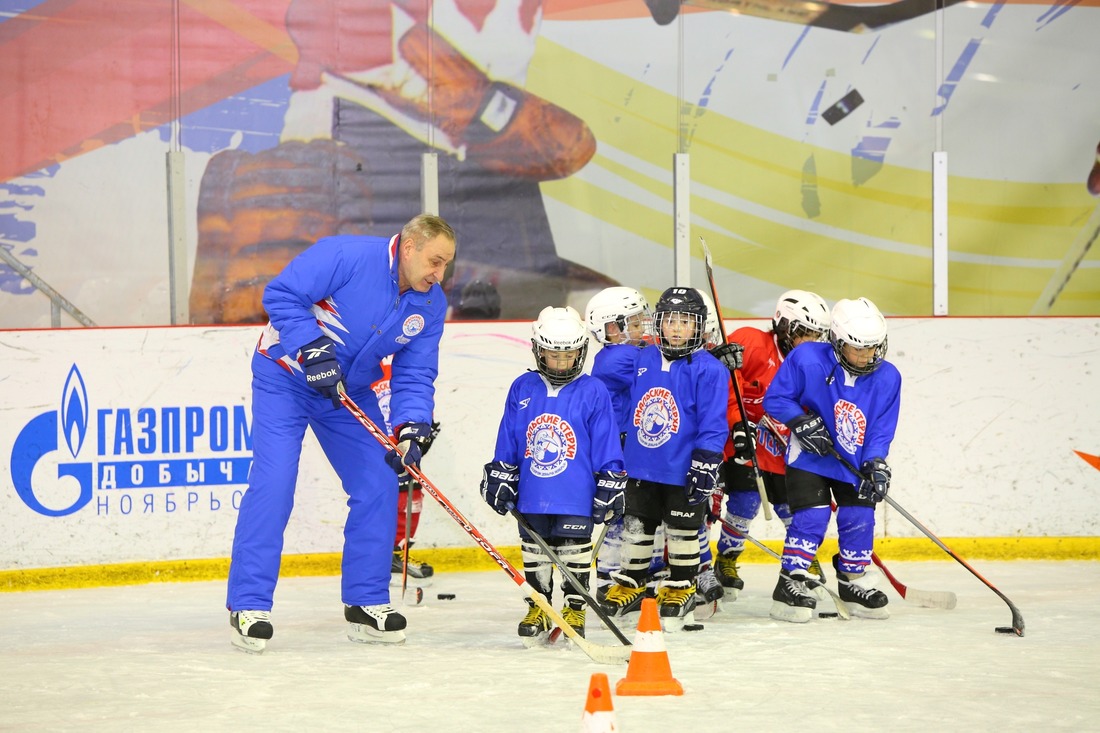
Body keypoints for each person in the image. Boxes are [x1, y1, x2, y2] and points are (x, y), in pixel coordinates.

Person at [226, 213, 456, 652]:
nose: (439, 274)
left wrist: (412, 429)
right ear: (409, 248)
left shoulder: (430, 302)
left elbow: (415, 372)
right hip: (285, 377)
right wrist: (312, 349)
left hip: (348, 393)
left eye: (446, 265)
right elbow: (281, 294)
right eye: (434, 261)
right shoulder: (346, 255)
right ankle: (249, 604)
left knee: (380, 480)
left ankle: (366, 602)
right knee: (274, 483)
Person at [479, 306, 626, 645]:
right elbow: (510, 435)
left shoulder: (594, 390)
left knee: (574, 551)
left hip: (577, 493)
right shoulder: (523, 387)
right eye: (553, 355)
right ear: (538, 350)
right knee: (535, 552)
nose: (561, 362)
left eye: (569, 355)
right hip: (532, 491)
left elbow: (606, 439)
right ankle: (539, 605)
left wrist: (612, 477)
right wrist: (501, 471)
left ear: (581, 352)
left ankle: (575, 606)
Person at [592, 287, 730, 631]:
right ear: (659, 323)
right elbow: (606, 362)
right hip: (639, 465)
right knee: (637, 526)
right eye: (670, 320)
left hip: (682, 467)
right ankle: (632, 582)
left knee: (683, 529)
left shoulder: (709, 370)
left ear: (700, 327)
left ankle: (682, 585)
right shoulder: (643, 357)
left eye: (686, 321)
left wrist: (706, 461)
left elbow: (714, 422)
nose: (677, 328)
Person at [762, 297, 901, 623]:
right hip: (809, 458)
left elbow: (881, 429)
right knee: (812, 518)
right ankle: (790, 583)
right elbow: (776, 398)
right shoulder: (808, 359)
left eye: (873, 347)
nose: (868, 356)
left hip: (853, 460)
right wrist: (799, 421)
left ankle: (852, 581)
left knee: (860, 516)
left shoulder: (888, 377)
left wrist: (876, 462)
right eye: (858, 349)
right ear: (837, 342)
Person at [712, 290, 832, 598]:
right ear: (784, 327)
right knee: (744, 503)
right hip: (743, 442)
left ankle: (802, 560)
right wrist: (739, 423)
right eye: (804, 333)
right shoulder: (752, 342)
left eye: (816, 334)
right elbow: (726, 386)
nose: (811, 341)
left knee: (795, 508)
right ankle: (726, 559)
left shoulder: (813, 363)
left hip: (781, 445)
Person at [584, 286, 653, 600]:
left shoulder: (620, 353)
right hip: (618, 451)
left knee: (627, 515)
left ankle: (614, 577)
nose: (643, 329)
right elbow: (660, 376)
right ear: (613, 329)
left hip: (624, 447)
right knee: (620, 517)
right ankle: (607, 579)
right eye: (635, 324)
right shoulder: (618, 358)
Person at [369, 355, 441, 584]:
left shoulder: (406, 359)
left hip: (403, 442)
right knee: (376, 501)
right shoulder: (368, 362)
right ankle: (376, 556)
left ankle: (399, 553)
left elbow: (419, 393)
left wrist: (423, 431)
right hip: (373, 446)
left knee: (412, 495)